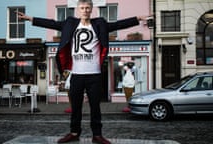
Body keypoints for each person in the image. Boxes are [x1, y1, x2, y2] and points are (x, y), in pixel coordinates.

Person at [17, 0, 149, 143]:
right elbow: (52, 23)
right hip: (77, 74)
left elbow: (118, 24)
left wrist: (138, 19)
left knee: (95, 107)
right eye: (82, 8)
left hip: (94, 74)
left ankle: (97, 135)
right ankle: (74, 133)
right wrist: (30, 18)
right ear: (78, 9)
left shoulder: (100, 24)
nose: (85, 10)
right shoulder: (70, 23)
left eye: (87, 8)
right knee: (76, 107)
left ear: (91, 9)